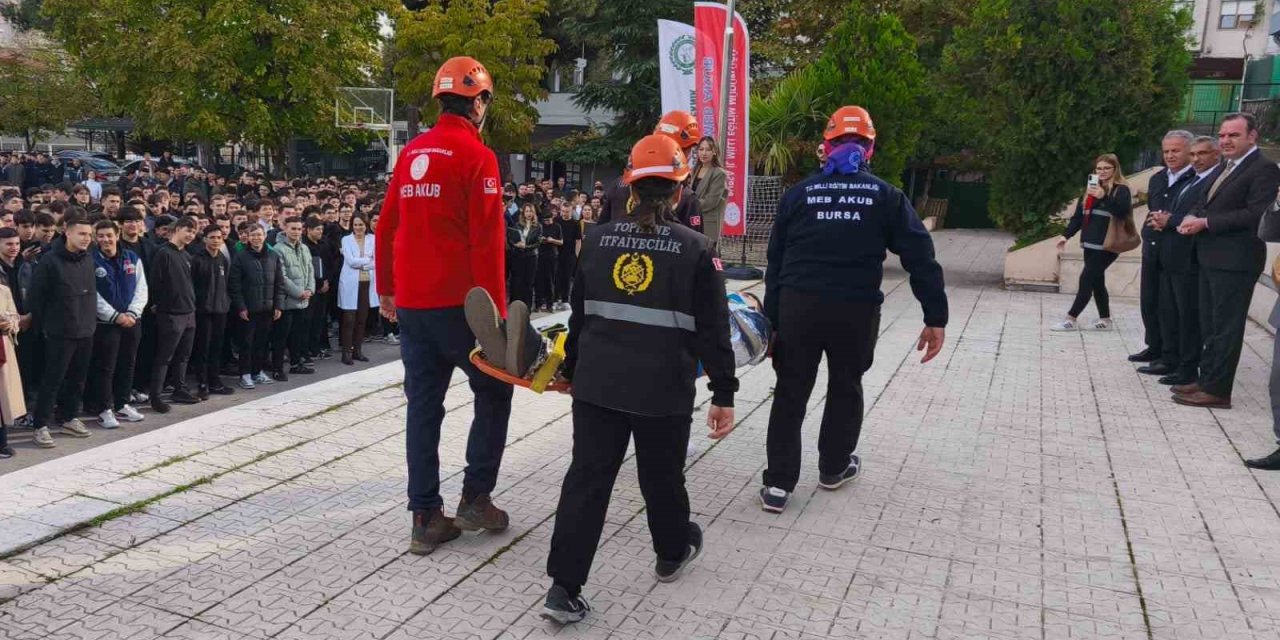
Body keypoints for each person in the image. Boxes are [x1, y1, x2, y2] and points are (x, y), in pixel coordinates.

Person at [541, 134, 739, 624]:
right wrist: (724, 393)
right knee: (661, 476)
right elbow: (715, 331)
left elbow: (580, 317)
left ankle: (563, 590)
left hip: (598, 387)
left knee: (586, 481)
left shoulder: (597, 241)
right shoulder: (697, 249)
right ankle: (671, 553)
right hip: (662, 390)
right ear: (678, 191)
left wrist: (571, 370)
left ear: (629, 187)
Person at [759, 106, 948, 514]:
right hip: (855, 310)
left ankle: (778, 485)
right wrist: (935, 316)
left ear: (825, 148)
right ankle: (833, 467)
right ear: (870, 149)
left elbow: (775, 264)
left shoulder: (798, 195)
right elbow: (921, 256)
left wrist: (772, 321)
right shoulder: (886, 195)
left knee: (791, 392)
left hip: (798, 307)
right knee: (846, 386)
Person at [374, 56, 514, 555]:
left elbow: (387, 225)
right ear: (477, 102)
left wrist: (386, 290)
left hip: (413, 306)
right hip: (462, 308)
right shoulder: (478, 156)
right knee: (495, 394)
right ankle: (476, 497)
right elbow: (488, 241)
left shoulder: (411, 152)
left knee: (423, 408)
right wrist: (493, 317)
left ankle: (425, 516)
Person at [1174, 112, 1280, 409]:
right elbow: (1205, 200)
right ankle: (1207, 379)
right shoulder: (1227, 166)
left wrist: (1206, 224)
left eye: (1233, 135)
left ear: (1252, 136)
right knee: (1209, 324)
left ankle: (1218, 390)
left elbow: (1255, 213)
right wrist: (1193, 216)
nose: (1225, 141)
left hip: (1236, 261)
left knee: (1226, 327)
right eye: (1222, 135)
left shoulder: (1264, 168)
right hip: (1210, 257)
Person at [1149, 136, 1219, 387]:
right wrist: (1165, 219)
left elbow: (1201, 215)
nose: (1196, 159)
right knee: (1170, 312)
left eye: (1202, 154)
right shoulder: (1192, 180)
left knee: (1188, 316)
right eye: (1194, 154)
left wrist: (1171, 220)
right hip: (1172, 256)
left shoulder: (1212, 181)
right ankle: (1172, 359)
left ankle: (1188, 367)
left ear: (1216, 155)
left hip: (1190, 258)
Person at [27, 213, 98, 448]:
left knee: (78, 379)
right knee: (53, 380)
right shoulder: (50, 261)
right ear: (67, 232)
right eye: (82, 234)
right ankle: (41, 425)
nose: (86, 238)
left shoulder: (88, 259)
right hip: (60, 331)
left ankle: (69, 417)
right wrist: (46, 325)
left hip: (86, 328)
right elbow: (37, 298)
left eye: (89, 234)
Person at [1131, 131, 1196, 369]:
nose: (1170, 155)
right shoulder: (1158, 178)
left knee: (1171, 306)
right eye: (1166, 150)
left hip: (1177, 249)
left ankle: (1170, 354)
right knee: (1149, 300)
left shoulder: (1195, 179)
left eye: (1176, 150)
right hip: (1153, 247)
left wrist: (1168, 221)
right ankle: (1154, 346)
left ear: (1190, 151)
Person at [1050, 154, 1132, 332]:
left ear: (1115, 169)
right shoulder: (1090, 190)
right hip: (1090, 243)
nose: (1102, 172)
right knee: (1096, 281)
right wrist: (1066, 236)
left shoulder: (1121, 189)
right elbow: (1078, 217)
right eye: (1099, 168)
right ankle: (1105, 319)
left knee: (1086, 279)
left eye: (1106, 168)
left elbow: (1121, 211)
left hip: (1108, 245)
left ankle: (1070, 319)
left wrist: (1104, 196)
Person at [87, 220, 148, 429]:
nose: (105, 240)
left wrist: (132, 313)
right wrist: (114, 316)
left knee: (128, 363)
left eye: (109, 235)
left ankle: (122, 403)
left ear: (117, 234)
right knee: (106, 367)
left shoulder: (131, 257)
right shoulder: (91, 260)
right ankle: (104, 409)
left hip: (132, 321)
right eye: (101, 236)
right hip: (106, 324)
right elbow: (92, 295)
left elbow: (142, 288)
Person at [598, 111, 704, 233]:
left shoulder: (619, 184)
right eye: (690, 149)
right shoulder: (684, 195)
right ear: (680, 153)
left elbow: (602, 231)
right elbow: (695, 245)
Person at [147, 216, 200, 412]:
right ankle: (156, 395)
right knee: (164, 356)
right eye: (188, 230)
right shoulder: (163, 253)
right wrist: (159, 305)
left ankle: (180, 388)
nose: (190, 235)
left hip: (189, 312)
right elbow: (156, 283)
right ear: (177, 229)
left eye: (194, 232)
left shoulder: (187, 256)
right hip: (170, 313)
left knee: (183, 356)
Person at [230, 224, 284, 389]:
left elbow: (279, 283)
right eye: (253, 235)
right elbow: (235, 285)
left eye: (259, 235)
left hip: (267, 308)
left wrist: (278, 305)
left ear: (264, 236)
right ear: (247, 237)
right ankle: (245, 374)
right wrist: (241, 307)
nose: (256, 238)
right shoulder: (240, 257)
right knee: (246, 343)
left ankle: (257, 371)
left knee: (262, 342)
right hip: (248, 309)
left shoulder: (273, 256)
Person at [189, 225, 234, 399]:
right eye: (212, 237)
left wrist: (226, 302)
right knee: (203, 348)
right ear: (205, 239)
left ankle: (215, 381)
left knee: (217, 347)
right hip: (203, 311)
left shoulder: (222, 258)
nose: (216, 240)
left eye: (219, 237)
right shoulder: (197, 259)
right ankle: (202, 383)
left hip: (220, 309)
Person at [271, 216, 315, 379]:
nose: (296, 232)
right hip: (287, 301)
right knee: (281, 337)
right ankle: (277, 369)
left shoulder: (304, 248)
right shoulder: (278, 249)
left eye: (299, 229)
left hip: (303, 300)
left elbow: (310, 269)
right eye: (293, 228)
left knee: (298, 335)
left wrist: (310, 289)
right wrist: (298, 292)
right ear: (285, 229)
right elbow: (281, 276)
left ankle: (296, 364)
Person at [339, 214, 376, 365]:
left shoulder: (373, 239)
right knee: (349, 319)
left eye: (361, 224)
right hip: (350, 283)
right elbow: (351, 262)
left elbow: (377, 261)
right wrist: (368, 260)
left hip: (367, 283)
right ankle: (346, 352)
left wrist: (365, 263)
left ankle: (357, 351)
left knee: (362, 319)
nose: (358, 228)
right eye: (355, 225)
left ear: (366, 225)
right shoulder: (346, 240)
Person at [302, 217, 337, 359]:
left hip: (325, 287)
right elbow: (309, 268)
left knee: (320, 320)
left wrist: (327, 281)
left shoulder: (324, 243)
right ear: (309, 230)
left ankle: (317, 348)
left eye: (321, 229)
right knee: (308, 321)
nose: (320, 232)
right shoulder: (305, 245)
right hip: (312, 288)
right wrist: (318, 284)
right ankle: (308, 350)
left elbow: (329, 263)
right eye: (317, 229)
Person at [691, 136, 728, 247]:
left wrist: (689, 205)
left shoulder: (719, 173)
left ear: (714, 152)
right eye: (701, 149)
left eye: (708, 149)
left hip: (707, 223)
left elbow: (711, 202)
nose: (704, 153)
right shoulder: (694, 170)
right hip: (692, 221)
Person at [0, 278, 21, 458]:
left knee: (3, 397)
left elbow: (15, 316)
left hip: (3, 347)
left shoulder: (4, 290)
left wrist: (10, 324)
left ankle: (2, 441)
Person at [508, 204, 540, 307]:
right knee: (517, 281)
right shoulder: (517, 225)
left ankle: (527, 306)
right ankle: (516, 306)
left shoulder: (538, 226)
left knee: (529, 283)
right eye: (527, 211)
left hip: (531, 257)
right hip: (518, 256)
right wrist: (516, 245)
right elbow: (511, 238)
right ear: (523, 213)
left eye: (530, 211)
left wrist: (525, 247)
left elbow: (537, 243)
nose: (529, 214)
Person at [554, 202, 580, 311]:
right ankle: (555, 300)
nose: (565, 214)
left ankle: (565, 300)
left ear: (571, 211)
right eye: (563, 211)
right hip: (556, 254)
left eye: (567, 212)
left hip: (569, 255)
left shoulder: (575, 223)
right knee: (556, 277)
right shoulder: (556, 221)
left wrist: (576, 255)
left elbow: (578, 240)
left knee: (567, 278)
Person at [535, 211, 562, 312]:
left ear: (552, 218)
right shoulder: (540, 226)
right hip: (540, 255)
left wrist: (552, 240)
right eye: (545, 220)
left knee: (550, 280)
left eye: (549, 220)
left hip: (552, 255)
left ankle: (550, 304)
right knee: (539, 280)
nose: (547, 222)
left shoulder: (557, 226)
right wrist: (541, 240)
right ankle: (538, 303)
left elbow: (561, 241)